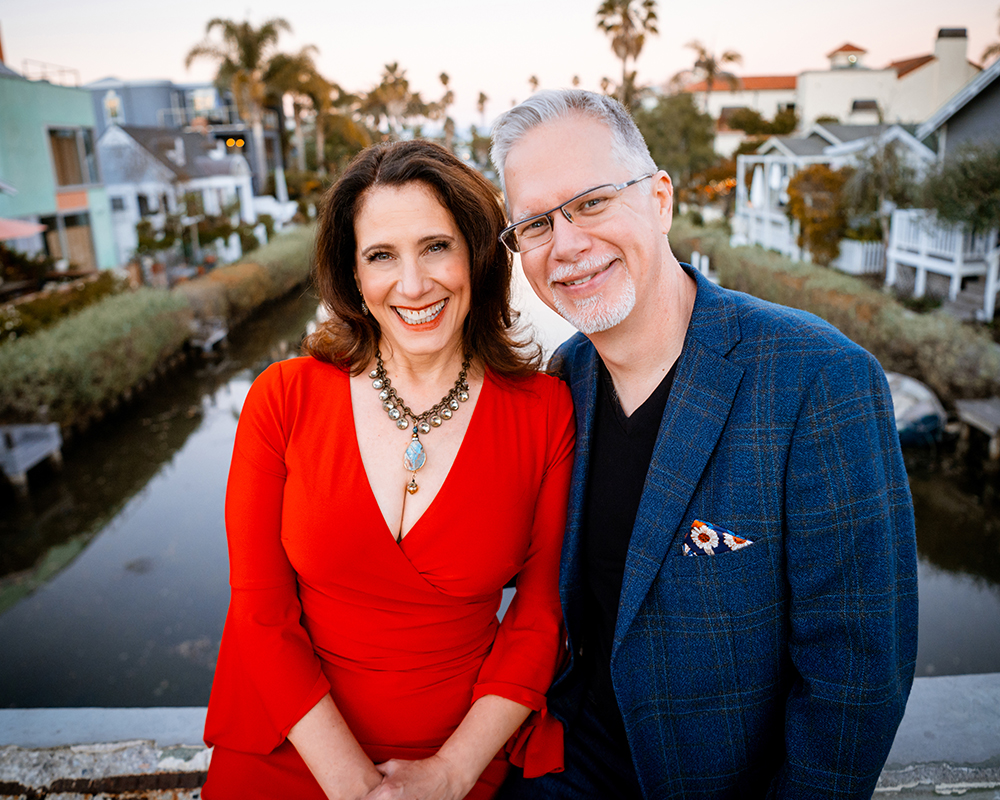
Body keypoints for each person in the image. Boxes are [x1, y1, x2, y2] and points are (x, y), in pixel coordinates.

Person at [491, 89, 918, 799]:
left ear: (659, 199)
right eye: (536, 222)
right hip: (569, 768)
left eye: (592, 202)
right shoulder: (564, 380)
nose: (566, 243)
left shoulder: (818, 380)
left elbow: (856, 679)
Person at [202, 140, 575, 800]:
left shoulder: (545, 411)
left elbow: (538, 619)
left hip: (458, 753)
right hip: (288, 741)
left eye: (436, 246)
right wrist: (352, 787)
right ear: (352, 275)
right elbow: (260, 614)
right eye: (381, 255)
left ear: (479, 253)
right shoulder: (282, 398)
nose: (412, 284)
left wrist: (451, 773)